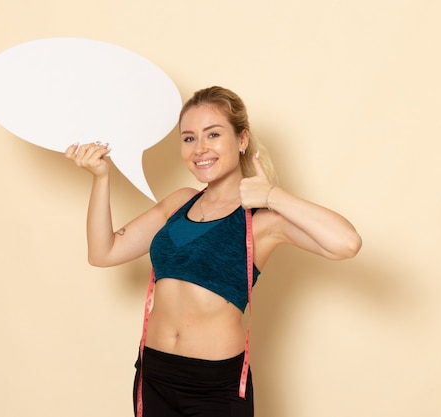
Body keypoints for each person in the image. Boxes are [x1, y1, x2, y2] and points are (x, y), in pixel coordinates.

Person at [65, 86, 362, 417]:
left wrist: (271, 195)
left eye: (213, 134)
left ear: (242, 140)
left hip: (215, 387)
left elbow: (347, 243)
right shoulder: (180, 202)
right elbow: (103, 252)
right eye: (189, 138)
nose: (200, 148)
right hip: (154, 374)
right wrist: (101, 177)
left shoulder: (262, 221)